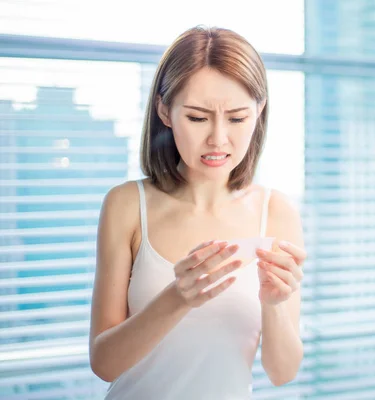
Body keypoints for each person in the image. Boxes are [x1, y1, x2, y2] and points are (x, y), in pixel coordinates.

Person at [88, 26, 305, 399]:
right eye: (197, 118)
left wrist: (274, 305)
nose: (218, 139)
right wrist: (177, 298)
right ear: (164, 112)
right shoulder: (126, 205)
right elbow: (104, 363)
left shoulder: (276, 212)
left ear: (259, 112)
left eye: (237, 119)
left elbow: (282, 373)